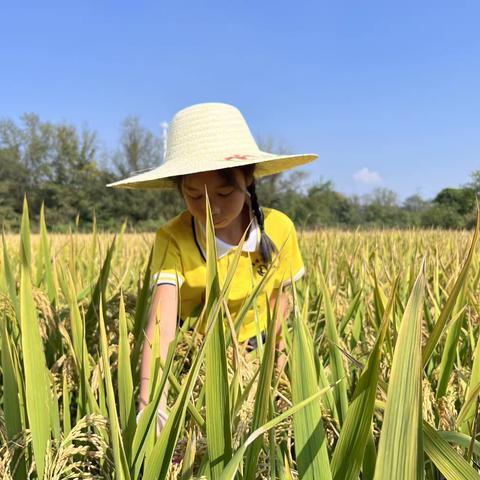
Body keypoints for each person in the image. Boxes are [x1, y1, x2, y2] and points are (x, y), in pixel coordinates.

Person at [108, 102, 318, 433]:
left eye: (223, 192)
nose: (211, 208)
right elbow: (163, 321)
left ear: (248, 178)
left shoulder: (279, 229)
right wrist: (151, 407)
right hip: (193, 349)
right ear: (179, 188)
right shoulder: (174, 237)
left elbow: (281, 305)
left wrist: (277, 376)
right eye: (194, 196)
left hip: (254, 346)